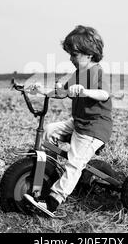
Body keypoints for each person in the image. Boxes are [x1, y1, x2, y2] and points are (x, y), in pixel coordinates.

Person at [23, 25, 113, 218]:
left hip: (94, 128)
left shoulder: (97, 72)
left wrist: (85, 91)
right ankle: (48, 172)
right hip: (78, 123)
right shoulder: (76, 74)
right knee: (49, 130)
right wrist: (41, 90)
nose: (71, 59)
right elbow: (61, 91)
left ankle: (53, 201)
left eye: (74, 54)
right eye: (70, 55)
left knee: (74, 163)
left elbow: (104, 93)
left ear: (89, 54)